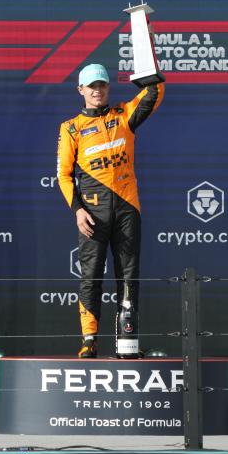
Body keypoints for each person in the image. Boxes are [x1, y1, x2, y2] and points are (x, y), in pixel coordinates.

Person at [57, 63, 164, 358]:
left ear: (108, 87)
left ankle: (127, 342)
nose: (97, 90)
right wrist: (78, 210)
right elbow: (64, 175)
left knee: (129, 275)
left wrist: (147, 50)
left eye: (101, 85)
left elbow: (155, 92)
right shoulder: (71, 128)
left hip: (128, 208)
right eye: (91, 86)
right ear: (81, 90)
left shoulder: (124, 114)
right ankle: (89, 340)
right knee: (90, 276)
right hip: (93, 212)